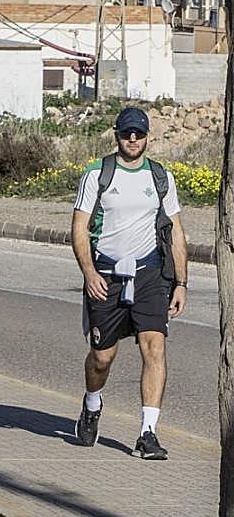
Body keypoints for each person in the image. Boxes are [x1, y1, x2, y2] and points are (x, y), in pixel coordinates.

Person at [72, 106, 188, 460]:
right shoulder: (98, 174)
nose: (133, 139)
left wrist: (181, 282)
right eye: (127, 133)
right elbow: (79, 228)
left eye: (138, 133)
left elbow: (177, 232)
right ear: (117, 135)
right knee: (102, 357)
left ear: (148, 136)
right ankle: (92, 403)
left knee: (154, 348)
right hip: (106, 274)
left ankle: (147, 433)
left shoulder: (160, 177)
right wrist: (89, 272)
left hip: (150, 274)